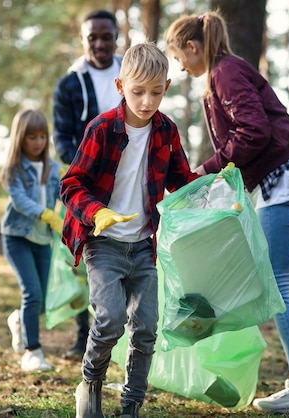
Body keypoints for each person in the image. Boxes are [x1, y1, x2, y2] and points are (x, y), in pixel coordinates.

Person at [165, 11, 289, 415]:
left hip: (282, 184)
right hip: (275, 183)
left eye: (179, 57)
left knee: (279, 286)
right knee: (270, 283)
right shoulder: (220, 76)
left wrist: (209, 168)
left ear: (192, 47)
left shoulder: (225, 73)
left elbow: (254, 132)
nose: (180, 66)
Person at [60, 42, 200, 418]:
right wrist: (97, 213)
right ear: (121, 87)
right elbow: (71, 185)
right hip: (103, 242)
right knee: (108, 320)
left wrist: (210, 189)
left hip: (142, 245)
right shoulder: (102, 129)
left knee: (146, 327)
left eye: (156, 92)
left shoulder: (167, 131)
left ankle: (131, 405)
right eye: (138, 91)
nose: (147, 100)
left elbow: (181, 181)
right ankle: (90, 384)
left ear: (166, 87)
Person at [52, 9, 123, 360]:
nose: (99, 43)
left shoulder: (131, 73)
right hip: (86, 187)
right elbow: (62, 139)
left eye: (105, 36)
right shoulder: (69, 84)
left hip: (129, 185)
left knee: (129, 257)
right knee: (83, 262)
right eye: (92, 37)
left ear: (116, 37)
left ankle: (122, 340)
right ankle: (85, 336)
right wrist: (89, 165)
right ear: (82, 40)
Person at [0, 109, 63, 372]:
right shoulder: (14, 170)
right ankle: (32, 351)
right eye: (31, 137)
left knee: (44, 299)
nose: (38, 142)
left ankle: (18, 321)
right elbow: (20, 201)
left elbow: (66, 193)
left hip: (42, 240)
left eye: (42, 137)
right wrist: (46, 214)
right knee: (32, 293)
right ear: (20, 139)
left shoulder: (54, 168)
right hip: (17, 237)